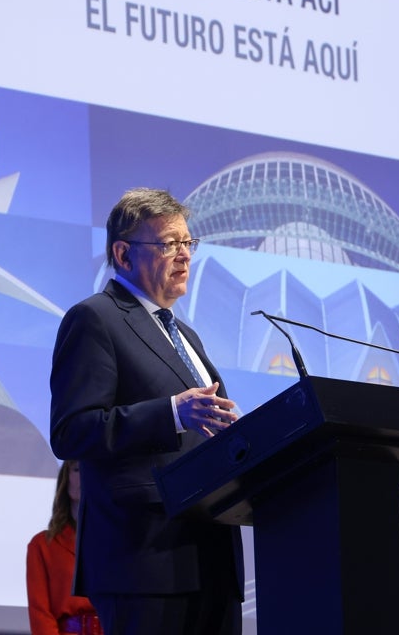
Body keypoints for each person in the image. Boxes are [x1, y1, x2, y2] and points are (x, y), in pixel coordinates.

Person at [49, 188, 244, 635]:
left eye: (188, 244)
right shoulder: (95, 318)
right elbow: (71, 431)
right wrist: (171, 413)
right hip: (143, 559)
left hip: (210, 555)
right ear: (123, 253)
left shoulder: (188, 337)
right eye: (169, 244)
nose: (184, 256)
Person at [26, 460, 101, 635]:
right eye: (77, 470)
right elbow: (41, 615)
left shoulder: (116, 541)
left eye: (90, 469)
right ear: (65, 479)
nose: (85, 476)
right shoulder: (43, 545)